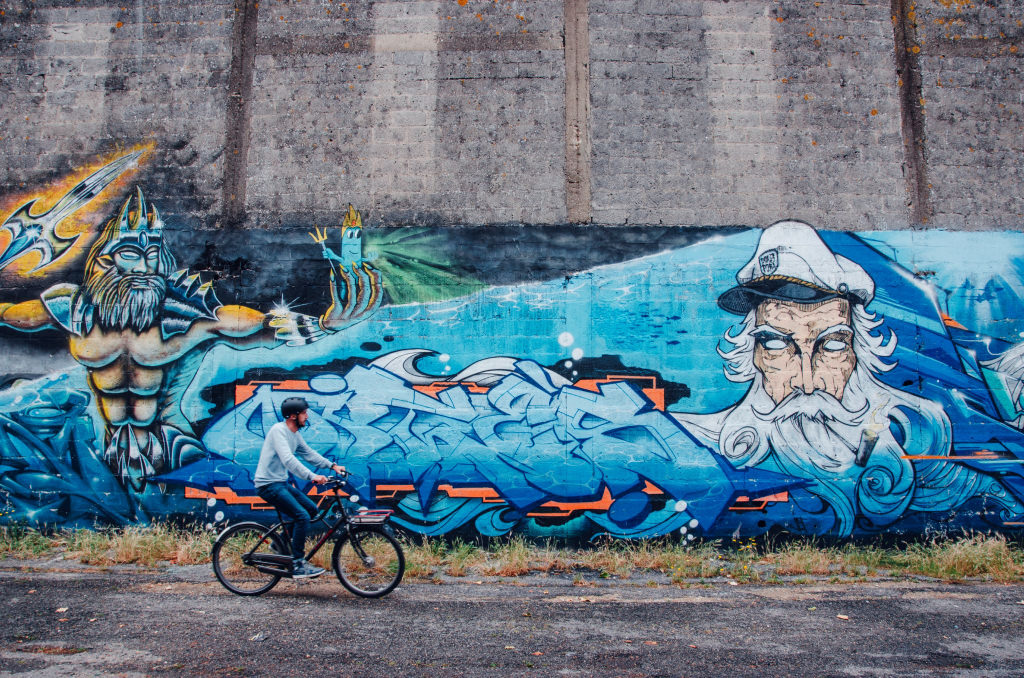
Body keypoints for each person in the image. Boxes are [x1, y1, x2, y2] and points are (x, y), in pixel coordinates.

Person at [0, 167, 381, 490]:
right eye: (131, 254)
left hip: (173, 452)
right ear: (103, 261)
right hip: (104, 458)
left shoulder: (184, 316)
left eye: (152, 256)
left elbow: (255, 326)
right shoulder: (73, 308)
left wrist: (322, 325)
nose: (143, 267)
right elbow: (13, 314)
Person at [673, 220, 1022, 535]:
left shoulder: (936, 458)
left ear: (860, 353)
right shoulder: (686, 445)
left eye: (833, 346)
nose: (806, 382)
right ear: (753, 355)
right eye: (777, 344)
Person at [254, 396, 346, 578]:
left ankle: (279, 542)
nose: (307, 416)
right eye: (303, 413)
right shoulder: (278, 431)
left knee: (311, 510)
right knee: (301, 516)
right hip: (267, 485)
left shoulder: (294, 435)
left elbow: (308, 453)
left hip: (280, 483)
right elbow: (288, 459)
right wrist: (312, 477)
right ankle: (298, 563)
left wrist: (332, 466)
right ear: (293, 416)